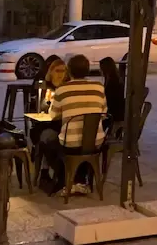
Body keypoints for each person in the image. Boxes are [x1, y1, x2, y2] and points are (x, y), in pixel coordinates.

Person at [38, 54, 107, 195]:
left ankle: (64, 179)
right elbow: (104, 112)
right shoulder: (99, 87)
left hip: (70, 142)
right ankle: (79, 180)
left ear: (69, 71)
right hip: (96, 141)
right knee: (79, 143)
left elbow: (53, 115)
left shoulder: (63, 90)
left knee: (46, 138)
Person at [99, 57, 125, 125]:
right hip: (117, 113)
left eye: (101, 68)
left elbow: (109, 100)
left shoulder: (112, 83)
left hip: (113, 115)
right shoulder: (116, 80)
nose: (100, 70)